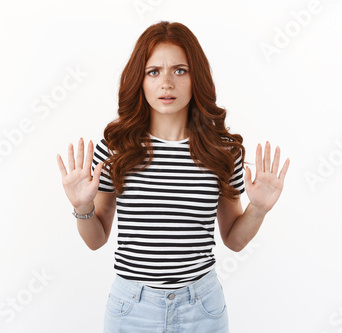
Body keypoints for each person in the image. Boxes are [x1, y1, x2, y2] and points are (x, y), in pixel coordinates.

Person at [56, 20, 290, 333]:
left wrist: (258, 209)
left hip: (202, 309)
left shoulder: (220, 150)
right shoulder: (116, 148)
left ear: (197, 79)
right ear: (139, 80)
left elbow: (234, 239)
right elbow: (96, 240)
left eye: (179, 70)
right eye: (154, 72)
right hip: (132, 309)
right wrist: (82, 208)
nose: (167, 82)